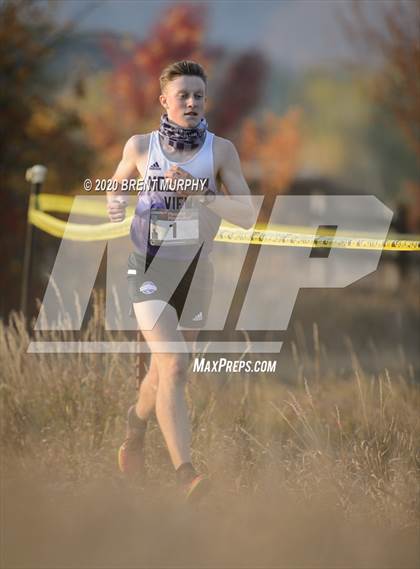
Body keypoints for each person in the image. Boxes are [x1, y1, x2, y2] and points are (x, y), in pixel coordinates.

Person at [107, 60, 255, 501]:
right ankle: (186, 475)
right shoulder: (140, 146)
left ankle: (134, 429)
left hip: (197, 272)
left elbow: (247, 215)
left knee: (164, 369)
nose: (192, 102)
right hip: (148, 268)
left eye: (199, 95)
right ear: (164, 101)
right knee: (173, 364)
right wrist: (115, 202)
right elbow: (115, 185)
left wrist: (203, 193)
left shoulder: (221, 151)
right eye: (183, 95)